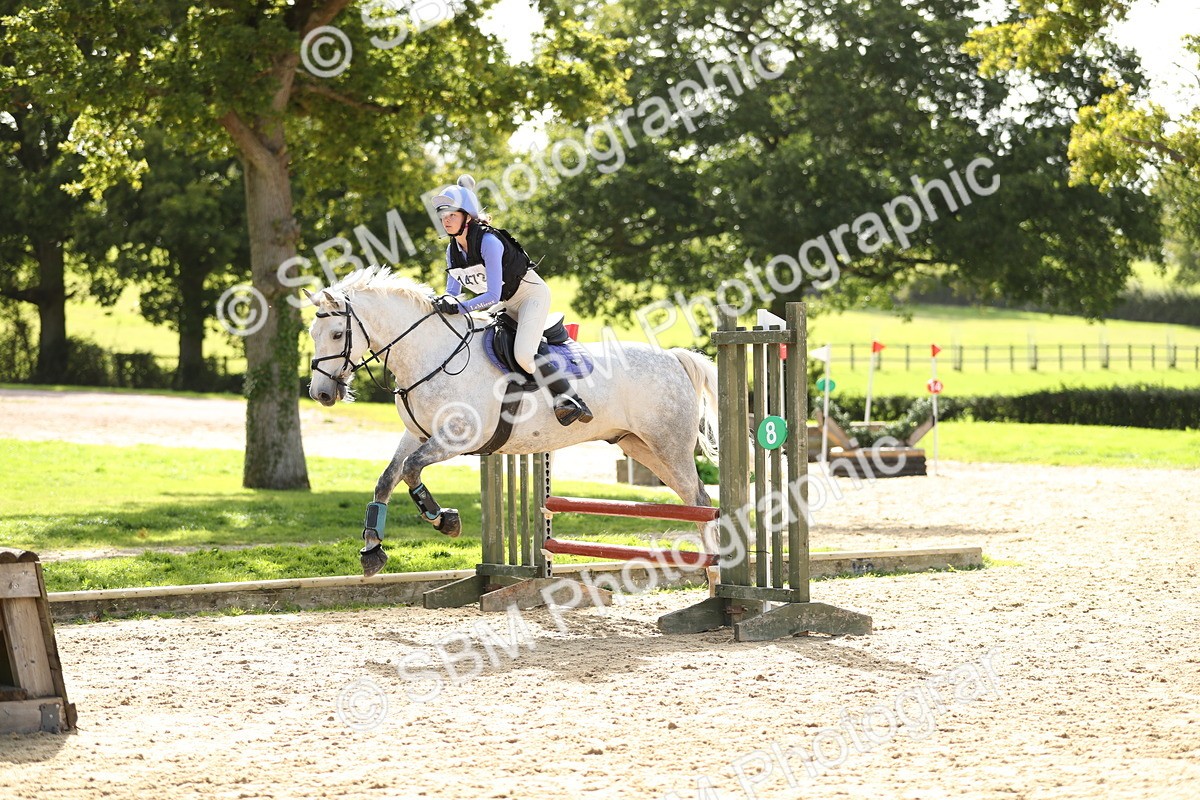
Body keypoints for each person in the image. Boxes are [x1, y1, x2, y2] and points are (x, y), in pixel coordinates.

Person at [430, 174, 593, 426]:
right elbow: (453, 292)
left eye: (452, 214)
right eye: (443, 216)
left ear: (467, 216)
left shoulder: (488, 241)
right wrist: (441, 303)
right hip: (506, 303)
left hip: (531, 297)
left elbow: (491, 295)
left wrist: (460, 308)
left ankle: (569, 399)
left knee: (525, 355)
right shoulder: (452, 250)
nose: (446, 220)